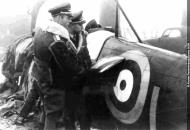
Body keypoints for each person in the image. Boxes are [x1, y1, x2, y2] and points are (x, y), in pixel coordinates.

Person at [31, 2, 89, 130]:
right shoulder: (56, 39)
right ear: (59, 17)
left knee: (48, 112)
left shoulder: (41, 30)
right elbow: (67, 66)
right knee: (53, 114)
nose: (70, 20)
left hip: (42, 78)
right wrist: (83, 72)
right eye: (67, 17)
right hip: (53, 83)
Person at [66, 10, 92, 130]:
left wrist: (87, 68)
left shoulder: (82, 36)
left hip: (81, 81)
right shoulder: (62, 39)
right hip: (68, 83)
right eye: (79, 24)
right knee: (68, 113)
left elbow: (86, 54)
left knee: (84, 110)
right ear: (71, 24)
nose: (82, 27)